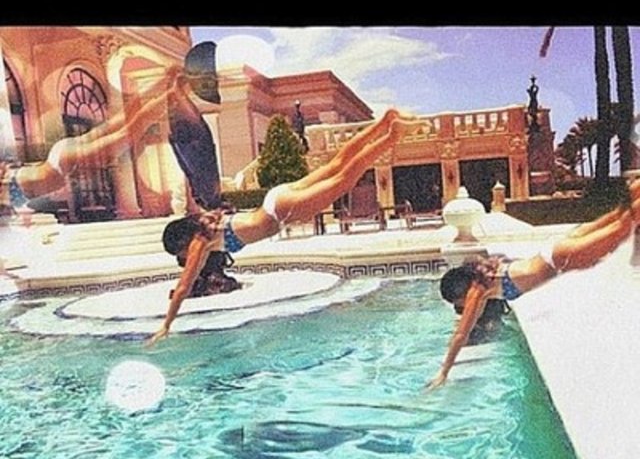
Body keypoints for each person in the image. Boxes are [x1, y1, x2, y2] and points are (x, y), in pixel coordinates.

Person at [147, 79, 419, 345]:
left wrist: (166, 325)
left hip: (279, 211)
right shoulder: (209, 221)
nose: (184, 259)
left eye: (179, 254)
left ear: (183, 243)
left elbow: (183, 287)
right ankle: (384, 123)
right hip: (275, 198)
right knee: (336, 166)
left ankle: (392, 135)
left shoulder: (200, 242)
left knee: (343, 180)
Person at [428, 181, 640, 389]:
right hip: (553, 251)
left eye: (457, 302)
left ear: (460, 292)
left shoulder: (477, 290)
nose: (460, 307)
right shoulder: (485, 278)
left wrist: (444, 372)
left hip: (557, 259)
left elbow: (461, 334)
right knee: (619, 216)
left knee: (623, 226)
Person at [0, 70, 180, 212]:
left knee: (127, 132)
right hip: (59, 155)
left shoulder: (6, 192)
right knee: (120, 123)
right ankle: (166, 80)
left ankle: (173, 93)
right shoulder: (7, 184)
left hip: (62, 163)